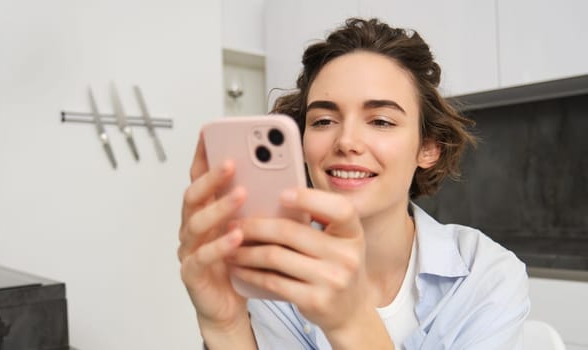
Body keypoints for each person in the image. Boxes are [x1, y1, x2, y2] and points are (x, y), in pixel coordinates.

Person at [178, 18, 530, 349]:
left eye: (379, 121)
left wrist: (351, 321)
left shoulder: (487, 276)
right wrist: (225, 327)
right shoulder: (273, 269)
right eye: (323, 120)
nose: (346, 141)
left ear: (427, 148)